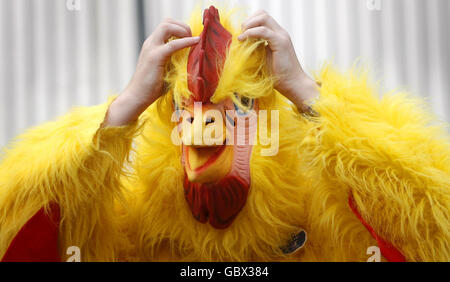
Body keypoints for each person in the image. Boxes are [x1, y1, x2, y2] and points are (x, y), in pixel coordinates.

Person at [0, 6, 448, 262]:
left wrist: (310, 96)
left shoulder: (319, 220)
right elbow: (19, 237)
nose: (202, 125)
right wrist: (123, 108)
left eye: (239, 106)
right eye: (183, 110)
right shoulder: (133, 229)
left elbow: (432, 232)